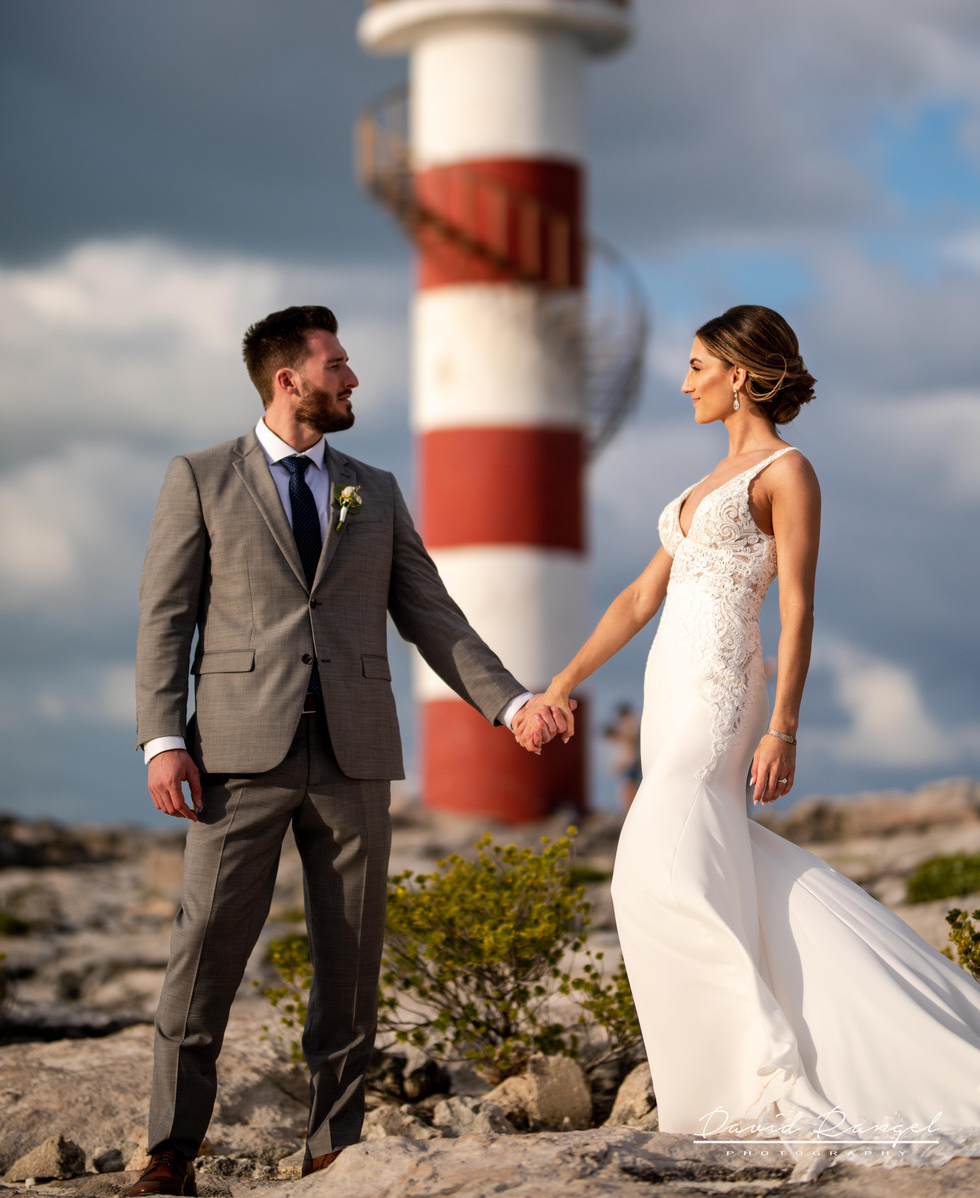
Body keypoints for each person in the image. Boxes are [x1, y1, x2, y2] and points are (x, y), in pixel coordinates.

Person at [130, 304, 570, 1196]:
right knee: (205, 945)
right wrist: (162, 738)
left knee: (352, 954)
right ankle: (171, 1150)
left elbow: (432, 614)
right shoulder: (202, 477)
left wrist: (513, 701)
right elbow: (166, 616)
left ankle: (333, 1146)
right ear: (288, 379)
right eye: (337, 364)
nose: (353, 376)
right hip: (235, 755)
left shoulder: (373, 486)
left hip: (355, 752)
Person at [533, 304, 980, 1158]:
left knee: (649, 874)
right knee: (721, 862)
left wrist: (785, 726)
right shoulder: (698, 486)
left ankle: (753, 1076)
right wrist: (561, 682)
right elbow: (637, 599)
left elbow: (801, 607)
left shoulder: (787, 470)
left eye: (697, 364)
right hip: (666, 693)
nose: (684, 380)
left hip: (720, 694)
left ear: (739, 374)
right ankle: (738, 1079)